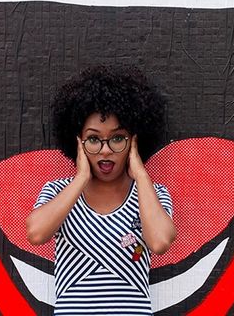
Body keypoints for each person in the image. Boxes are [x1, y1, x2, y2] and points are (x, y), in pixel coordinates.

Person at [25, 65, 177, 315]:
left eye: (117, 138)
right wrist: (81, 178)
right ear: (78, 141)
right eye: (94, 139)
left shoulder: (152, 194)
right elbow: (36, 233)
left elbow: (160, 242)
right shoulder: (58, 191)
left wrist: (140, 174)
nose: (105, 150)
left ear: (134, 141)